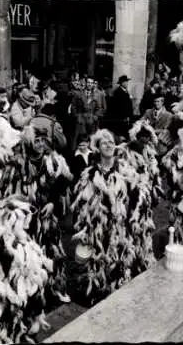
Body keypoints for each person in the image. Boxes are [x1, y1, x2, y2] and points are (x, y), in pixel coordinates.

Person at [70, 129, 152, 306]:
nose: (108, 145)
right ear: (97, 148)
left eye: (111, 141)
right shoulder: (89, 174)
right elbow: (81, 205)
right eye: (103, 142)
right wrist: (85, 229)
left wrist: (133, 217)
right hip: (99, 229)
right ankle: (101, 296)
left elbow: (140, 196)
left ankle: (119, 297)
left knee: (120, 264)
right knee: (100, 266)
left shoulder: (126, 170)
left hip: (122, 228)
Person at [70, 76, 106, 150]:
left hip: (91, 122)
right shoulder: (78, 93)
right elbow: (73, 106)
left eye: (91, 83)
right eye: (88, 82)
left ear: (93, 84)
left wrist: (95, 116)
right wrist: (77, 116)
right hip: (81, 121)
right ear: (85, 83)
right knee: (78, 141)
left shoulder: (97, 94)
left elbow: (100, 108)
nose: (89, 84)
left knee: (91, 141)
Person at [106, 75, 134, 139]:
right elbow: (119, 107)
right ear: (121, 83)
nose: (126, 83)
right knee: (121, 135)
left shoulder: (126, 91)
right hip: (121, 119)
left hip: (127, 118)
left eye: (127, 81)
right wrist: (125, 117)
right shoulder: (118, 92)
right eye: (125, 82)